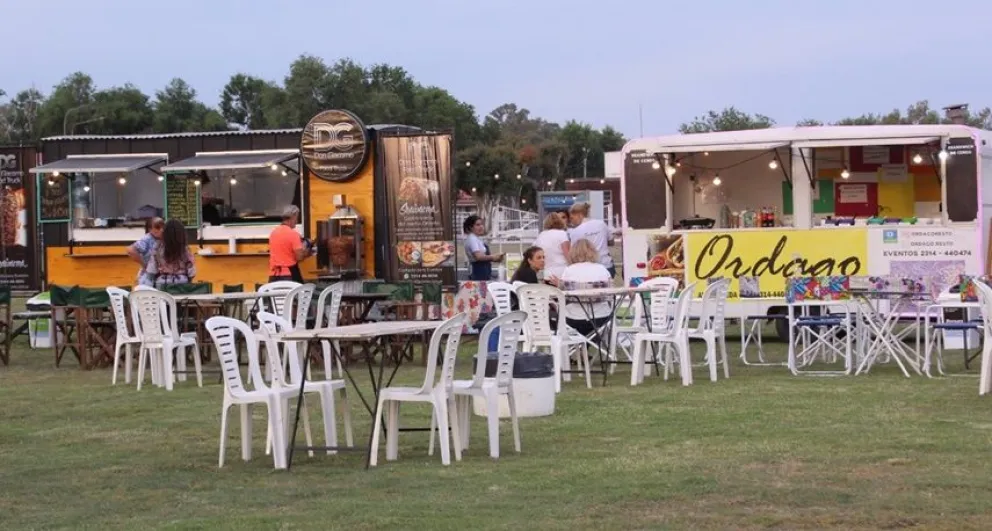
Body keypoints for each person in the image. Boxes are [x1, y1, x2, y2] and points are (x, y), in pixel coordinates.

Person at [560, 239, 613, 337]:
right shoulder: (602, 269)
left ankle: (579, 349)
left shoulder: (568, 271)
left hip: (574, 319)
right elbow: (611, 294)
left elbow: (562, 296)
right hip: (601, 318)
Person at [568, 202, 615, 278]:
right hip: (606, 265)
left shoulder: (575, 232)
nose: (571, 221)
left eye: (572, 218)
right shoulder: (601, 224)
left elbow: (574, 253)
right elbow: (611, 242)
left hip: (588, 269)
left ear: (579, 215)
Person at [269, 205, 313, 283]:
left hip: (274, 275)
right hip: (289, 275)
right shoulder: (293, 234)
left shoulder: (273, 233)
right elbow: (299, 257)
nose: (297, 221)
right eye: (297, 218)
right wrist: (308, 252)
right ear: (293, 216)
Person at [146, 219, 196, 287]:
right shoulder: (185, 250)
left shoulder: (157, 248)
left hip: (162, 284)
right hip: (182, 284)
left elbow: (151, 271)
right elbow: (192, 273)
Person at [463, 215, 503, 281]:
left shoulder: (476, 238)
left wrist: (496, 258)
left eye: (482, 224)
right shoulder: (472, 239)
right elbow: (478, 257)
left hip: (484, 271)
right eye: (477, 225)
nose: (481, 227)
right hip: (479, 272)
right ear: (471, 227)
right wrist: (493, 257)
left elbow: (483, 257)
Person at [126, 217, 164, 287]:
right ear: (150, 229)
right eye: (157, 228)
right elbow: (130, 250)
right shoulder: (147, 239)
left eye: (163, 227)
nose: (161, 230)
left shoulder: (163, 239)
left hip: (160, 276)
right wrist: (144, 264)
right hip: (148, 277)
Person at [533, 214, 570, 283]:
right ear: (560, 222)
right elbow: (567, 254)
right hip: (562, 271)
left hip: (548, 272)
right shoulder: (562, 234)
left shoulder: (541, 235)